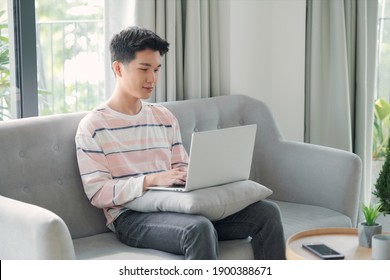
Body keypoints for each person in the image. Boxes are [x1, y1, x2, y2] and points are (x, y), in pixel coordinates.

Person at [75, 26, 286, 260]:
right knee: (198, 229)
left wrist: (198, 177)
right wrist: (151, 180)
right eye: (144, 69)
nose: (152, 79)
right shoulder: (93, 126)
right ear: (118, 68)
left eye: (156, 69)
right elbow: (98, 192)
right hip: (131, 217)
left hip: (178, 205)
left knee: (267, 213)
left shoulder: (163, 117)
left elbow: (181, 167)